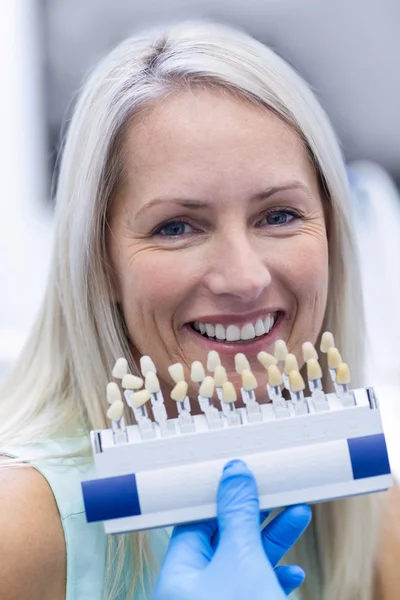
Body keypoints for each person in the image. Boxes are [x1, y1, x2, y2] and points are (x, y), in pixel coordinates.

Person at [0, 19, 398, 600]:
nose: (244, 278)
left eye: (279, 216)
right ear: (101, 263)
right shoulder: (21, 525)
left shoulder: (375, 517)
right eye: (177, 227)